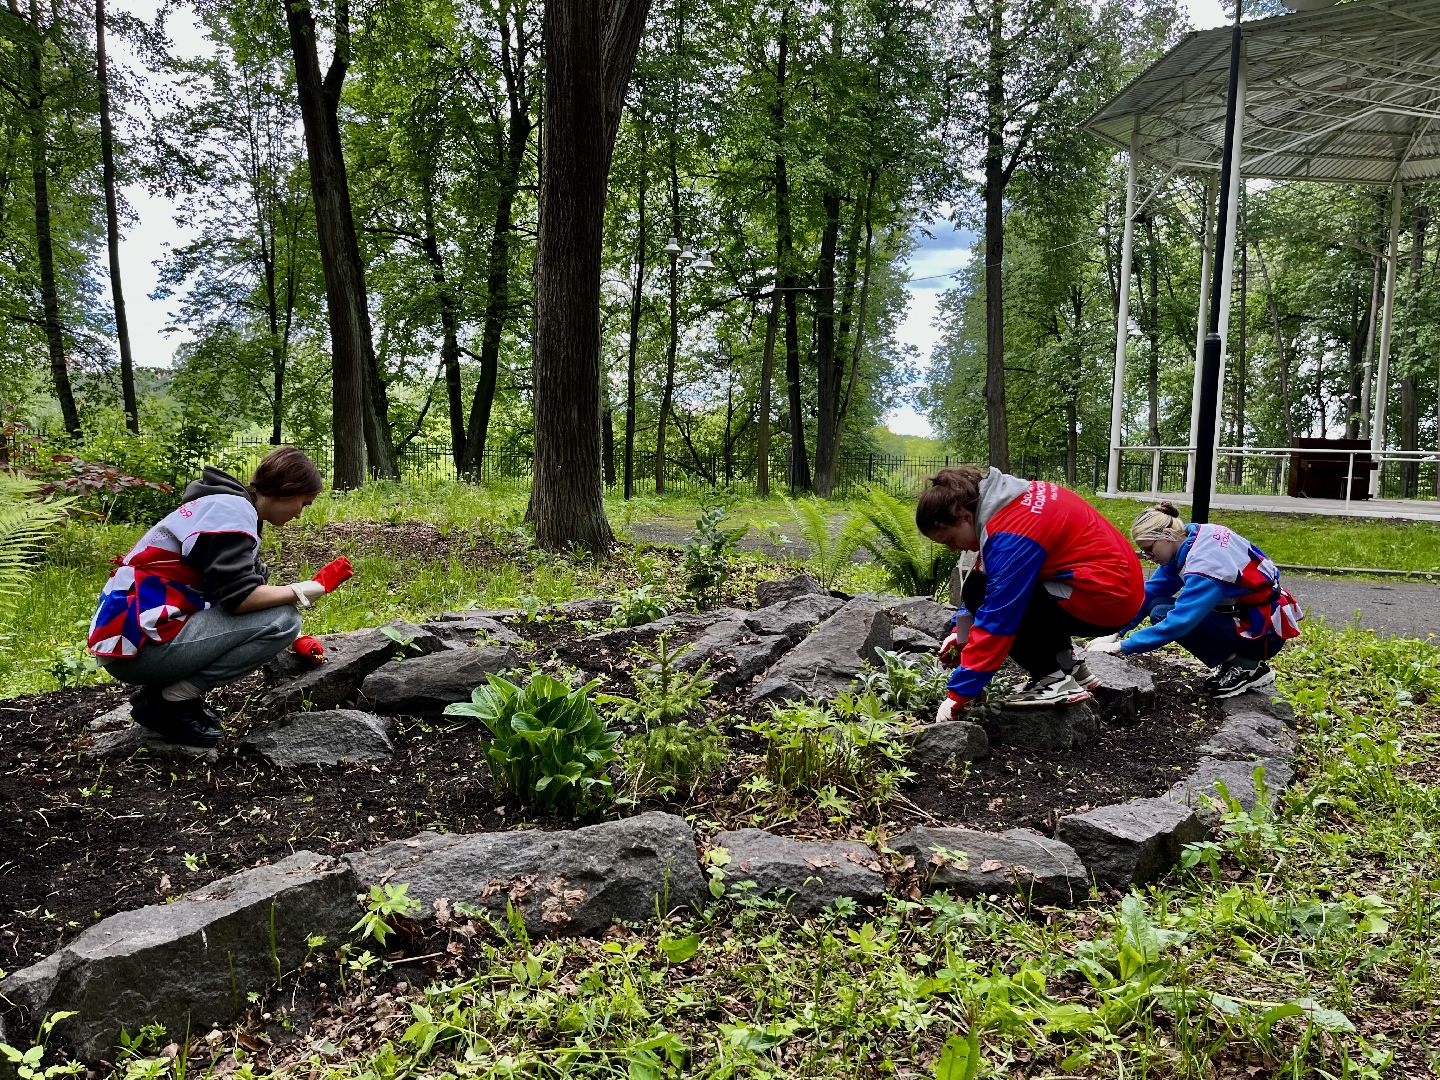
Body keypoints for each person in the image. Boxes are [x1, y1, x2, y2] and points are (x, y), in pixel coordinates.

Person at [87, 447, 353, 747]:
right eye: (303, 503)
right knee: (284, 620)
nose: (299, 513)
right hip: (140, 651)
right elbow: (240, 599)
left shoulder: (225, 507)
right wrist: (301, 591)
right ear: (286, 490)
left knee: (282, 619)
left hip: (134, 638)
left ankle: (162, 696)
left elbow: (235, 589)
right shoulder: (232, 514)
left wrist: (297, 633)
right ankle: (169, 702)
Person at [918, 466, 1145, 717]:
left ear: (962, 515)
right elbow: (989, 571)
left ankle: (1052, 679)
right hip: (1113, 590)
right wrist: (959, 632)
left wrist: (958, 695)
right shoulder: (1009, 500)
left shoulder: (1010, 535)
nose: (952, 548)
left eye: (949, 539)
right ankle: (1070, 668)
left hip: (1104, 600)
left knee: (981, 592)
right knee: (985, 588)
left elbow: (997, 616)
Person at [1088, 502, 1302, 698]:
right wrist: (1115, 631)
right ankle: (1235, 661)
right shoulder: (1191, 538)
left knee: (1162, 614)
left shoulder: (1206, 565)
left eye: (1149, 549)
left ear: (1167, 534)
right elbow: (1150, 593)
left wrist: (1122, 646)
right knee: (1156, 604)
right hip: (1251, 617)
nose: (1147, 557)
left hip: (1262, 632)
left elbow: (1179, 622)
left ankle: (1247, 666)